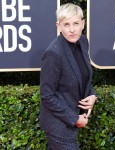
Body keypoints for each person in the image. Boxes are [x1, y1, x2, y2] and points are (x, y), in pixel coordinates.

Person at [39, 3, 97, 150]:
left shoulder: (83, 42)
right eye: (66, 24)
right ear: (58, 25)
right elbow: (47, 96)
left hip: (72, 117)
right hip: (57, 123)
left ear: (82, 24)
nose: (72, 30)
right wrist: (74, 118)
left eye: (76, 23)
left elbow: (83, 76)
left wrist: (92, 95)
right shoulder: (54, 53)